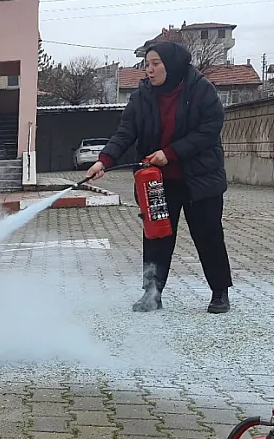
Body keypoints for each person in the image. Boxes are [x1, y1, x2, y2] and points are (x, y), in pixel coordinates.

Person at [86, 40, 233, 314]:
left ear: (172, 65)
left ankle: (219, 292)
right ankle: (152, 293)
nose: (149, 71)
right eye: (147, 65)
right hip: (157, 181)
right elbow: (125, 131)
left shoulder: (201, 90)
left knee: (208, 235)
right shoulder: (142, 96)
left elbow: (209, 129)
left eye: (155, 64)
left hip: (200, 180)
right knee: (156, 237)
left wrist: (171, 153)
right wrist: (104, 160)